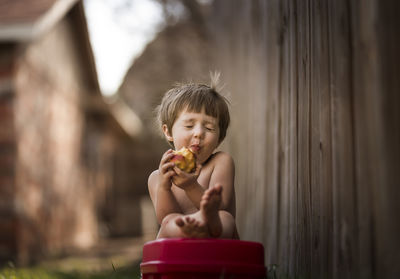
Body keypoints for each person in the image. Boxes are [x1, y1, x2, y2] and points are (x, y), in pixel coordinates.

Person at [148, 76, 239, 239]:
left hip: (220, 244)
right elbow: (164, 218)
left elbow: (221, 205)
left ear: (219, 139)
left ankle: (208, 225)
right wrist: (164, 187)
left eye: (209, 128)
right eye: (189, 125)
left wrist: (191, 186)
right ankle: (190, 231)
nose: (198, 133)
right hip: (181, 245)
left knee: (225, 218)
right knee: (170, 221)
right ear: (168, 132)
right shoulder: (158, 177)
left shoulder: (221, 162)